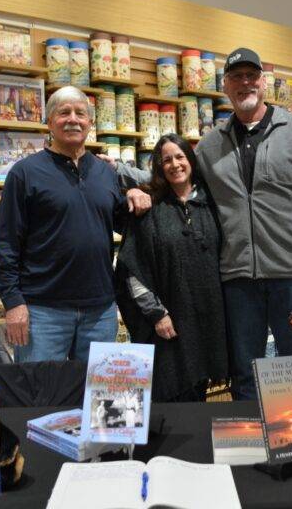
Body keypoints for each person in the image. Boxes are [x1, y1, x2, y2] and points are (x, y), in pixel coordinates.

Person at [112, 48, 292, 400]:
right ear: (226, 86)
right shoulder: (213, 142)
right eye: (236, 77)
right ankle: (250, 453)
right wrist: (129, 184)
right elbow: (176, 178)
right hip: (236, 281)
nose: (244, 83)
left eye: (251, 76)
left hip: (291, 275)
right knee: (243, 372)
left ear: (263, 82)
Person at [0, 86, 136, 363]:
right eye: (64, 112)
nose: (73, 119)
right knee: (41, 398)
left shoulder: (105, 172)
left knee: (99, 402)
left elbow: (124, 223)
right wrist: (13, 303)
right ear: (49, 122)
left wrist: (136, 193)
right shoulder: (25, 173)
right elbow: (6, 243)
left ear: (90, 123)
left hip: (101, 309)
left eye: (80, 113)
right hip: (42, 311)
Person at [115, 133, 228, 402]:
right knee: (171, 395)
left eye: (180, 157)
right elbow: (132, 268)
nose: (174, 164)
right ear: (158, 167)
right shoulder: (150, 209)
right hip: (170, 322)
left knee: (199, 395)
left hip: (207, 320)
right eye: (166, 160)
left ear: (190, 160)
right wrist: (156, 314)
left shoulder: (211, 205)